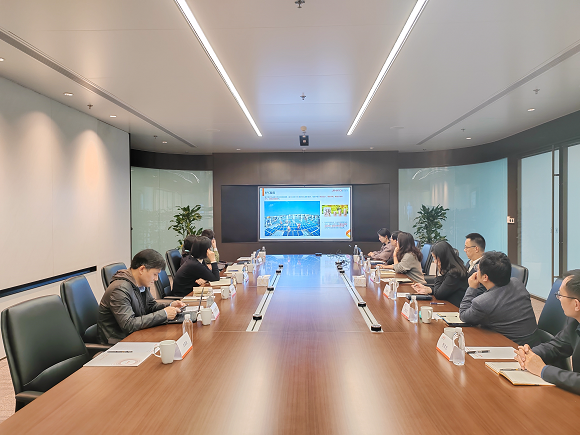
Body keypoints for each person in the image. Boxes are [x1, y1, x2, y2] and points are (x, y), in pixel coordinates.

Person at [97, 249, 186, 345]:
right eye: (154, 274)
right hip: (118, 342)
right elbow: (129, 325)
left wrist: (170, 306)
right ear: (142, 269)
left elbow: (150, 306)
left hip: (136, 335)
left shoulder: (141, 283)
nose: (156, 279)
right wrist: (164, 314)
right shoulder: (119, 289)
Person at [515, 270, 580, 395]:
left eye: (560, 295)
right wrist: (530, 355)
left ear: (576, 304)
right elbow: (557, 346)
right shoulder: (574, 320)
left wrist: (542, 370)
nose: (559, 299)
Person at [459, 251, 539, 346]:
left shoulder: (482, 302)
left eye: (477, 268)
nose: (476, 271)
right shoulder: (517, 282)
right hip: (534, 344)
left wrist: (472, 288)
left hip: (513, 348)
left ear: (485, 277)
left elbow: (463, 315)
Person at [411, 241, 468, 307]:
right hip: (448, 304)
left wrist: (439, 274)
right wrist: (428, 289)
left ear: (442, 258)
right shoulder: (451, 268)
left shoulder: (454, 273)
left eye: (435, 258)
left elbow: (439, 295)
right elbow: (443, 288)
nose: (435, 262)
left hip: (454, 308)